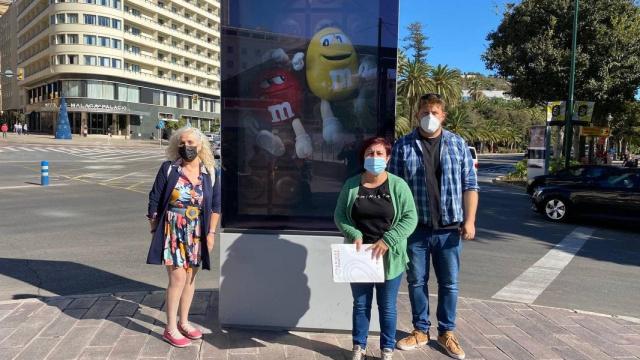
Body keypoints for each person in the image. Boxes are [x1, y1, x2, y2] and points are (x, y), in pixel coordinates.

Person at [389, 94, 479, 360]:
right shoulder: (403, 146)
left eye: (435, 112)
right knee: (417, 281)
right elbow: (394, 188)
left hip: (449, 229)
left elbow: (470, 185)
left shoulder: (457, 144)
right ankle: (420, 329)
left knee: (449, 283)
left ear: (443, 115)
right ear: (417, 114)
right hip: (416, 228)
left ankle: (447, 332)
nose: (430, 116)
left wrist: (470, 220)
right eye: (425, 111)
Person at [334, 137, 418, 360]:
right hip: (359, 255)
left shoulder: (398, 186)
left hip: (389, 256)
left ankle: (387, 348)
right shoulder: (352, 184)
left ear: (388, 158)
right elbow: (340, 215)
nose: (374, 158)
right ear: (363, 157)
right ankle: (358, 347)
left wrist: (388, 240)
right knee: (361, 304)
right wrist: (353, 233)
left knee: (387, 306)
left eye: (379, 154)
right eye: (370, 153)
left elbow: (410, 218)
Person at [147, 126, 221, 347]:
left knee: (190, 278)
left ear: (200, 145)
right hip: (173, 228)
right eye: (182, 143)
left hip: (198, 230)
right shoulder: (169, 169)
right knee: (177, 278)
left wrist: (211, 233)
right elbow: (154, 200)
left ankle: (184, 322)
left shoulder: (210, 172)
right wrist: (154, 230)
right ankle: (169, 328)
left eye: (190, 143)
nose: (186, 147)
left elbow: (216, 206)